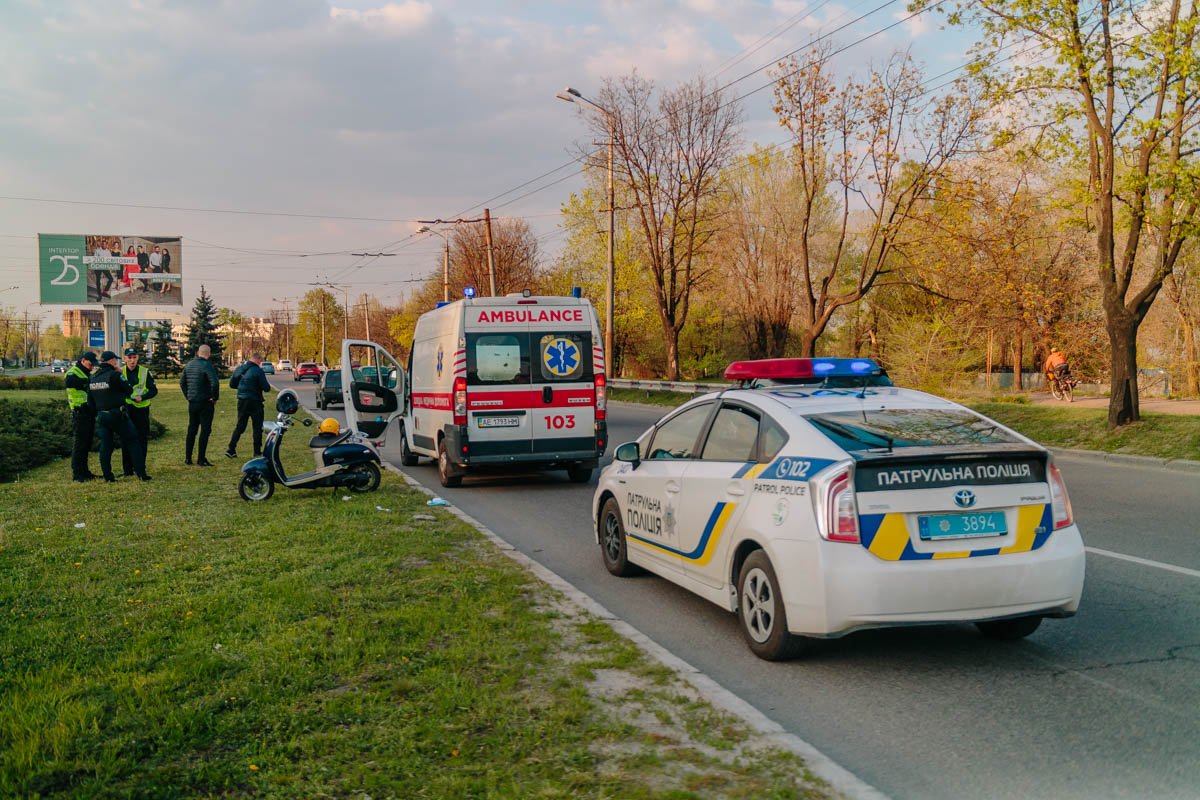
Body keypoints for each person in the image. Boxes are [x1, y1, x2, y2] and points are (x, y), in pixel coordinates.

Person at [88, 351, 149, 482]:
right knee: (133, 441)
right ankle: (141, 473)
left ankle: (108, 476)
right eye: (115, 360)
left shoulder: (93, 377)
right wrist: (120, 374)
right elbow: (129, 390)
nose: (116, 362)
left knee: (105, 446)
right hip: (117, 415)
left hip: (102, 416)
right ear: (111, 361)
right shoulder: (115, 375)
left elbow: (90, 402)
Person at [120, 347, 158, 477]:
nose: (132, 361)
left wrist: (143, 397)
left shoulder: (144, 372)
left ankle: (140, 467)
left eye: (134, 357)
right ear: (125, 358)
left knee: (141, 439)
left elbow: (153, 390)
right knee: (126, 439)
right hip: (127, 410)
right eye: (129, 358)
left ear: (138, 358)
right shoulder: (120, 372)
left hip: (141, 409)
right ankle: (127, 470)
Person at [225, 352, 271, 459]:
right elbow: (266, 388)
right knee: (257, 427)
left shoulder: (240, 369)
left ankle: (231, 448)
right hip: (255, 401)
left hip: (242, 401)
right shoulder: (258, 371)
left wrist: (242, 387)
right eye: (261, 361)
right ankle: (256, 451)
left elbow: (232, 384)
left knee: (240, 425)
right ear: (258, 360)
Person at [180, 344, 219, 466]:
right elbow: (215, 383)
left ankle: (188, 458)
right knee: (205, 430)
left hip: (192, 403)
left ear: (198, 352)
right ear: (208, 353)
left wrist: (188, 396)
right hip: (205, 402)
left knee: (192, 429)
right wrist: (214, 398)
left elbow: (182, 382)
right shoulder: (207, 365)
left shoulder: (189, 364)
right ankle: (201, 459)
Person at [65, 351, 98, 482]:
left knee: (86, 444)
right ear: (83, 360)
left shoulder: (86, 373)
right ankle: (78, 474)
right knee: (80, 445)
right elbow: (70, 382)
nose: (92, 367)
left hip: (88, 413)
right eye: (91, 364)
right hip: (79, 413)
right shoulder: (73, 372)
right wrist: (88, 382)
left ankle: (85, 471)